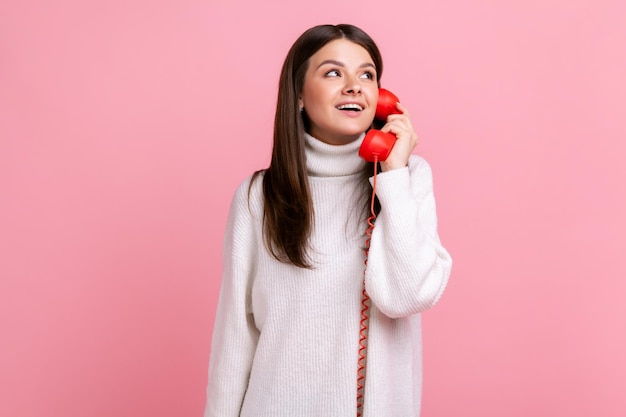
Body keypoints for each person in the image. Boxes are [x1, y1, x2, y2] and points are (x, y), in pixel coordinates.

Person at [204, 23, 452, 417]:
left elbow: (407, 296)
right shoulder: (259, 196)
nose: (354, 86)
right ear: (299, 94)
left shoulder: (406, 180)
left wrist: (392, 176)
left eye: (367, 74)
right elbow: (235, 334)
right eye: (333, 72)